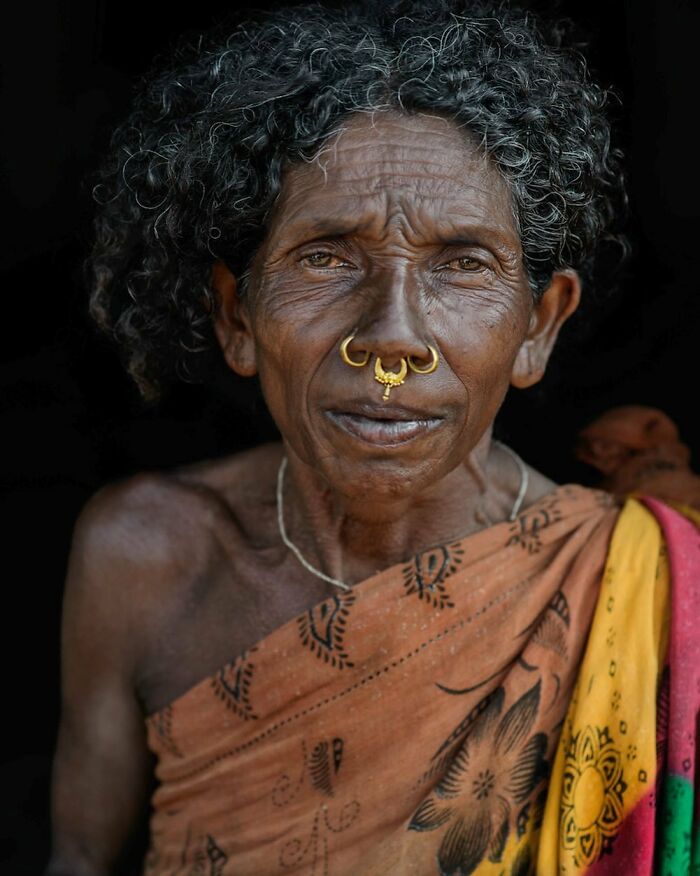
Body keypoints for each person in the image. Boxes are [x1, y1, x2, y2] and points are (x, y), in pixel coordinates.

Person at [46, 1, 699, 874]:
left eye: (462, 264)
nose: (392, 337)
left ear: (539, 326)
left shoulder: (643, 593)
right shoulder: (145, 555)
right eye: (326, 257)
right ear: (238, 315)